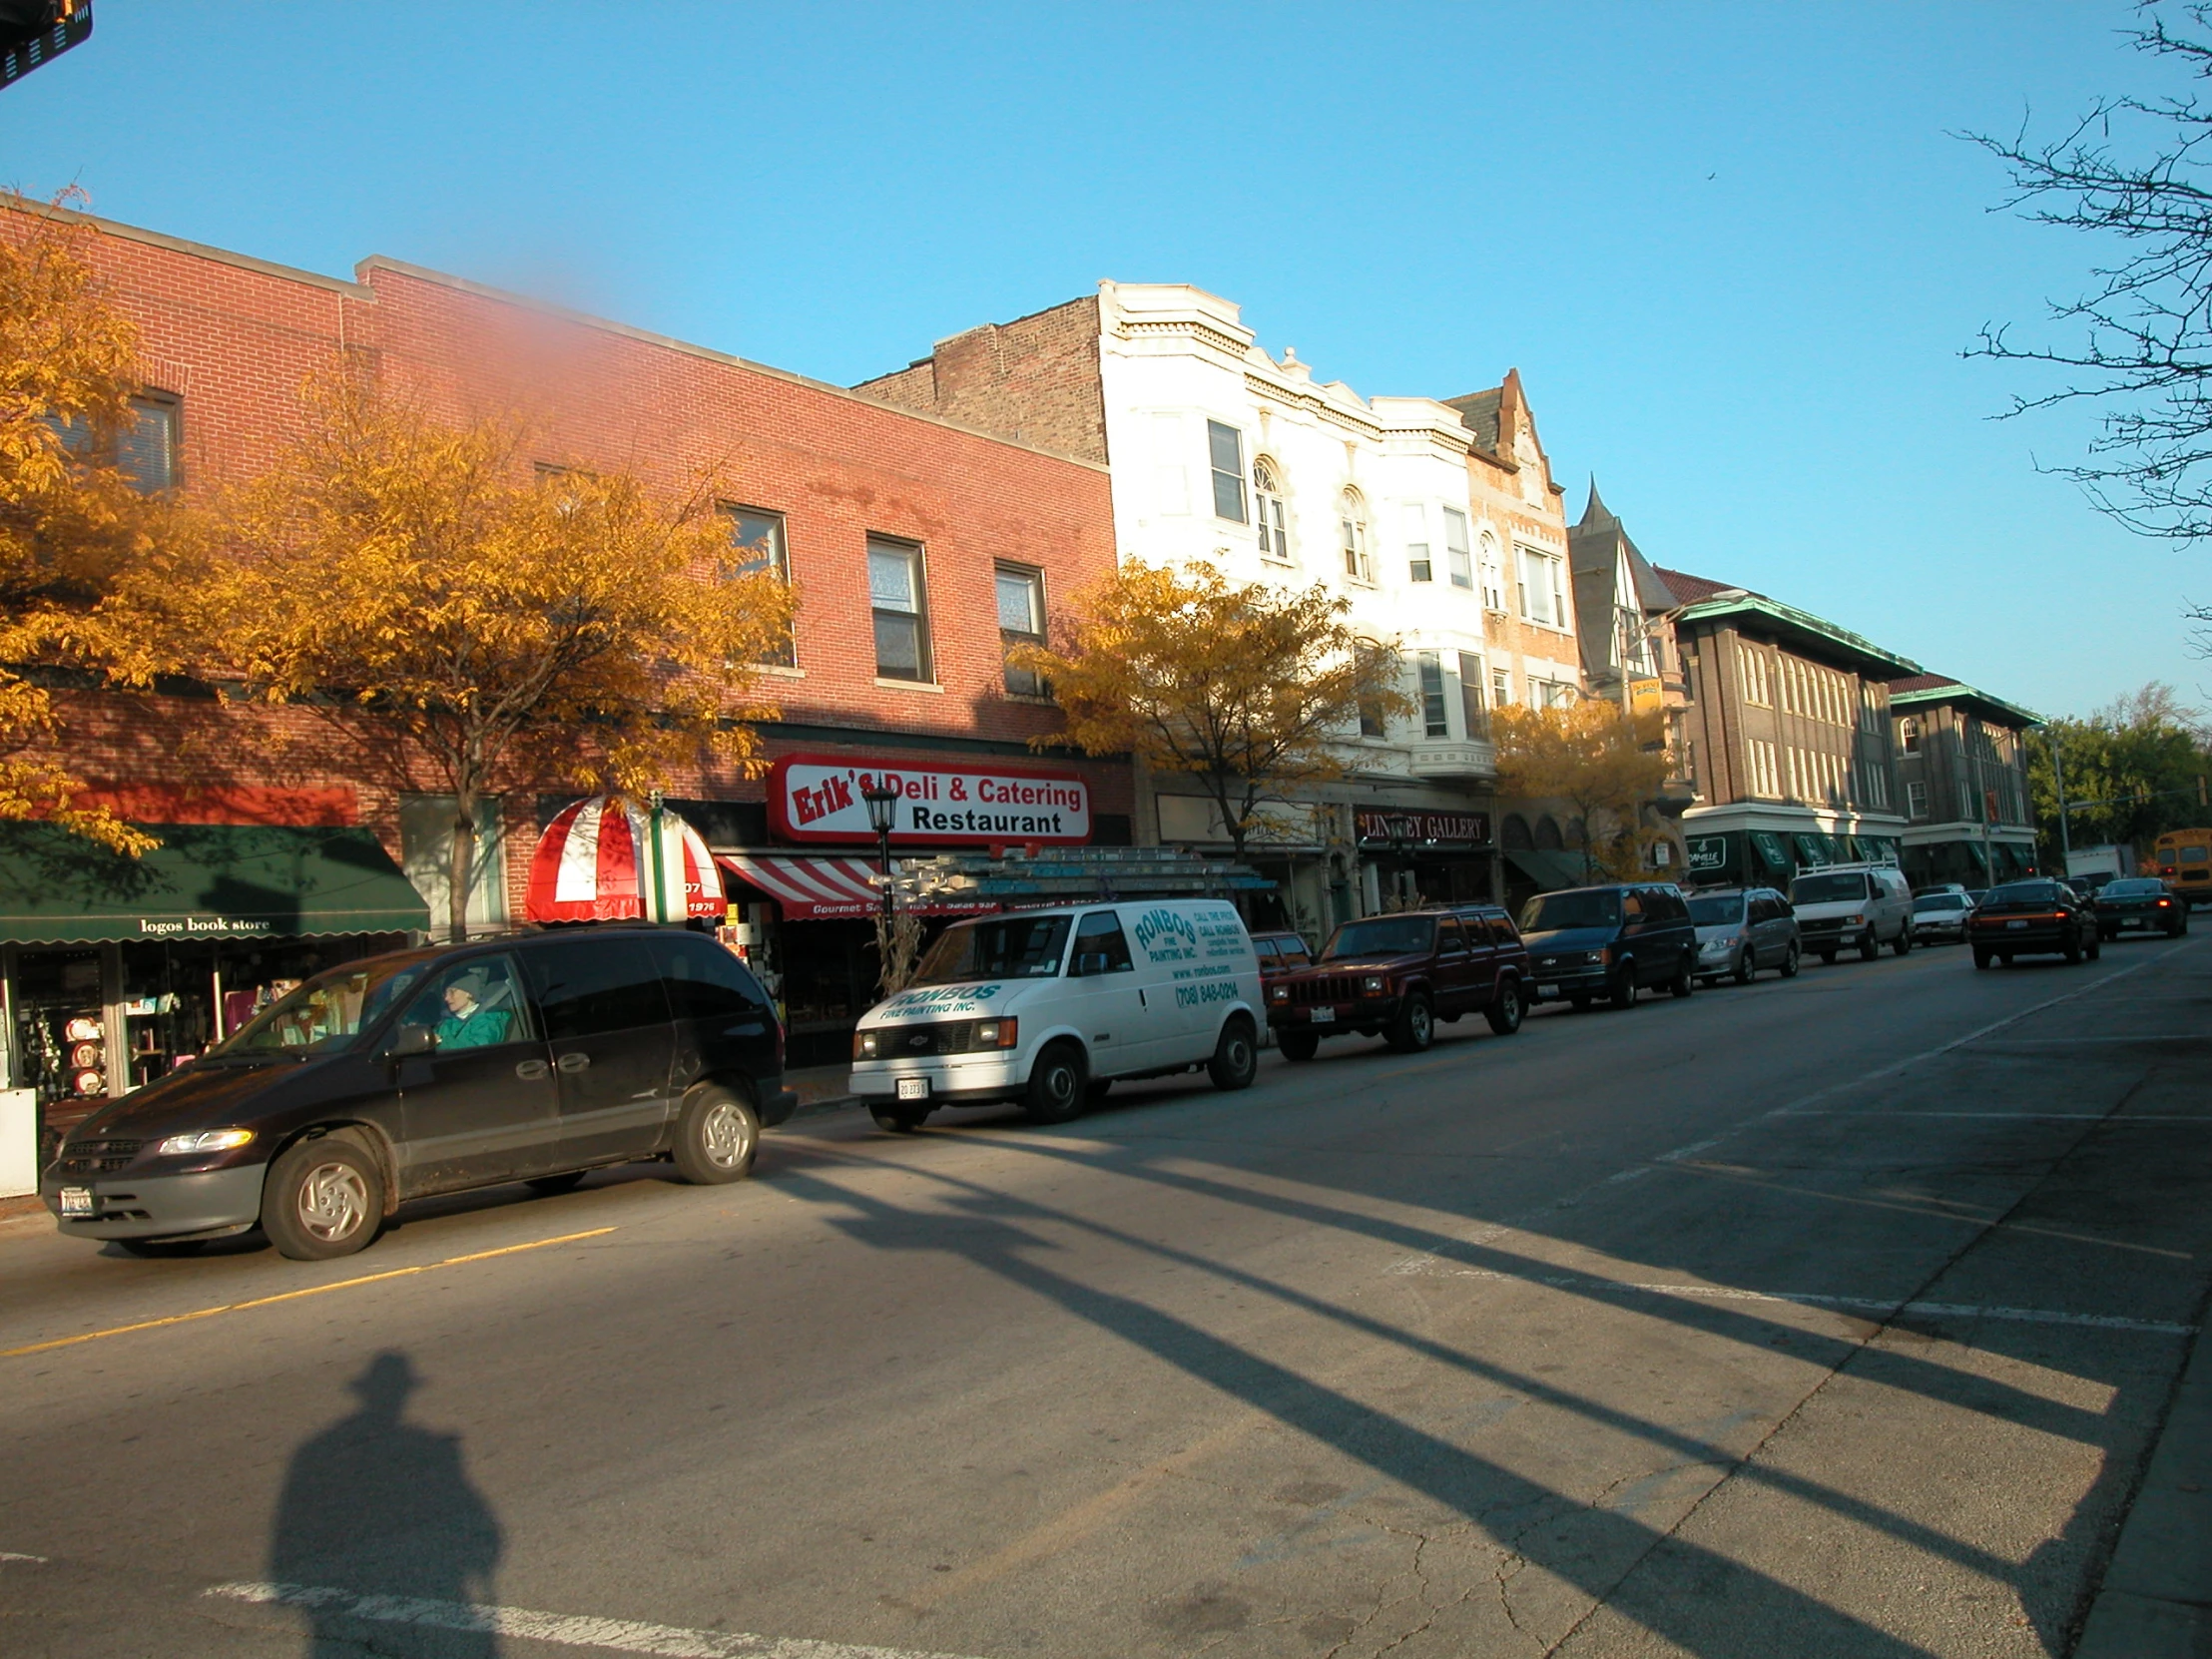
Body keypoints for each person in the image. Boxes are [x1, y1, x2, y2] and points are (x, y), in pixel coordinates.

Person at [432, 969, 512, 1051]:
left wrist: (440, 1041)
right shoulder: (447, 1022)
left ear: (469, 993)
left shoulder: (488, 1020)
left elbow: (477, 1052)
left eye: (452, 992)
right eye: (445, 993)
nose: (447, 998)